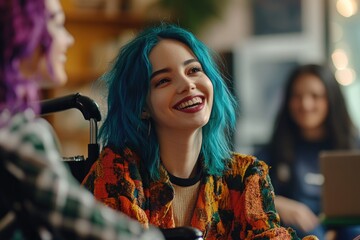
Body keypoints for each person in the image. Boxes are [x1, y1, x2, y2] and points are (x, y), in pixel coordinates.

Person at [81, 23, 318, 240]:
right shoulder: (119, 170)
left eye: (193, 70)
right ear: (142, 106)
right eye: (163, 81)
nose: (187, 84)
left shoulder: (244, 176)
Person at [0, 0, 165, 239]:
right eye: (56, 24)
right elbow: (81, 220)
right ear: (21, 32)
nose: (69, 40)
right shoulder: (19, 132)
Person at [254, 63, 360, 239]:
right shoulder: (272, 151)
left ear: (331, 99)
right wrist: (277, 202)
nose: (305, 104)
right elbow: (243, 190)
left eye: (315, 96)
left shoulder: (354, 147)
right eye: (297, 96)